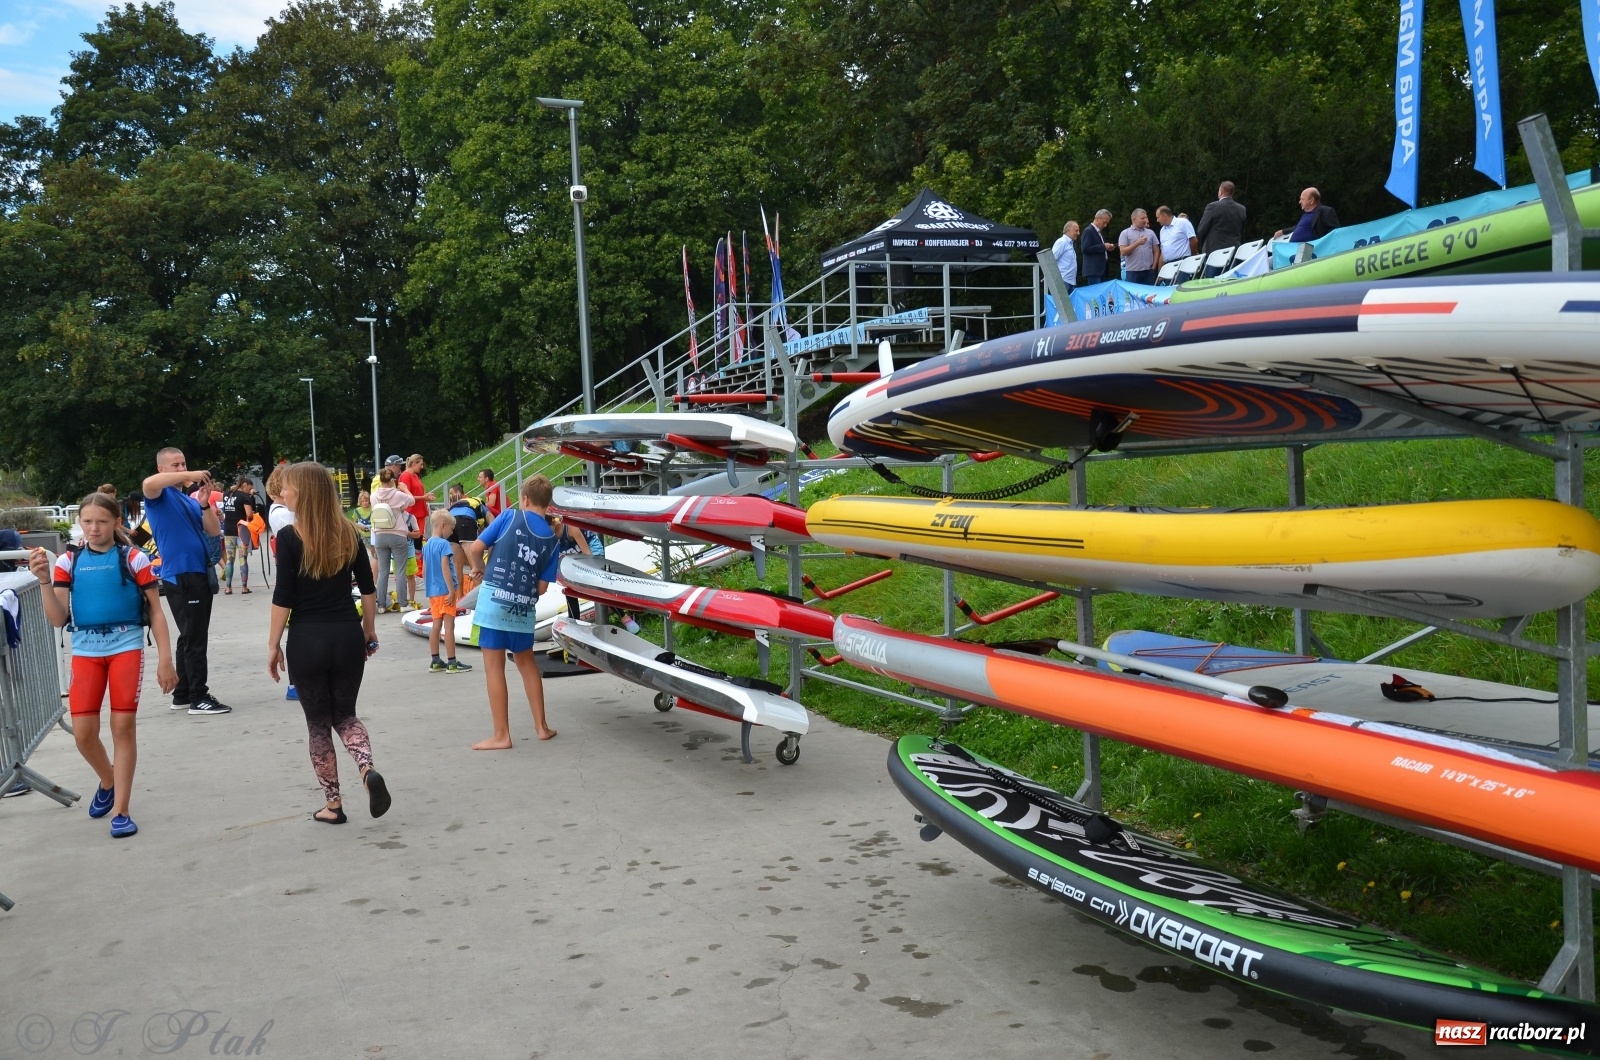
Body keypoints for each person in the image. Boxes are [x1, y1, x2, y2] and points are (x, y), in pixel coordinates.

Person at [28, 492, 177, 837]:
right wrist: (44, 582)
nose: (94, 528)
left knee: (123, 728)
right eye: (87, 521)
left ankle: (122, 810)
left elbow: (156, 612)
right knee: (83, 736)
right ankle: (108, 780)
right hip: (86, 653)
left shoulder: (134, 558)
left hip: (126, 647)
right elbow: (57, 618)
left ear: (116, 523)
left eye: (102, 521)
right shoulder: (68, 562)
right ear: (79, 523)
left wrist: (165, 659)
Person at [266, 462, 391, 826]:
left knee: (318, 724)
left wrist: (273, 644)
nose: (283, 494)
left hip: (307, 639)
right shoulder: (350, 533)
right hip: (347, 636)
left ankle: (333, 806)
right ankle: (367, 770)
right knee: (346, 715)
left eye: (287, 489)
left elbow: (283, 596)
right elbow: (368, 589)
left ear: (303, 493)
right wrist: (369, 629)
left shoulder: (289, 537)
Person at [464, 474, 562, 749]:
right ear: (547, 502)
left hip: (494, 599)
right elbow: (542, 588)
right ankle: (542, 727)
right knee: (527, 663)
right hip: (523, 606)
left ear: (525, 498)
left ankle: (501, 735)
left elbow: (476, 547)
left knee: (494, 667)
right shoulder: (552, 540)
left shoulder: (509, 517)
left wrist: (480, 567)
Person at [141, 447, 230, 716]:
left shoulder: (189, 500)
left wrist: (204, 503)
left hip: (197, 571)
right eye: (176, 465)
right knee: (195, 637)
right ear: (163, 469)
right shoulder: (159, 495)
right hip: (181, 573)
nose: (182, 469)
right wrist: (192, 474)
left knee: (190, 634)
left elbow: (213, 530)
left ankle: (183, 692)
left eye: (184, 464)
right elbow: (148, 484)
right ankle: (198, 696)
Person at [423, 510, 471, 674]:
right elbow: (445, 568)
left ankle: (435, 660)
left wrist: (428, 588)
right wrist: (452, 591)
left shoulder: (428, 544)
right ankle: (452, 662)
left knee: (436, 626)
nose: (452, 533)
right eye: (451, 529)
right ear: (443, 525)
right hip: (445, 591)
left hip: (433, 592)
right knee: (449, 627)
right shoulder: (444, 545)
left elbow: (424, 571)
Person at [369, 465, 415, 612]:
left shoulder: (373, 496)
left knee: (383, 572)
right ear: (392, 480)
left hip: (380, 535)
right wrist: (405, 489)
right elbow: (412, 501)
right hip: (397, 535)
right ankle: (403, 604)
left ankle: (381, 605)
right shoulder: (398, 494)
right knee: (400, 571)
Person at [399, 455, 433, 604]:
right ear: (414, 463)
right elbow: (408, 497)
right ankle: (416, 574)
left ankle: (418, 573)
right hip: (413, 513)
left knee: (419, 543)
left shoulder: (414, 475)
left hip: (419, 512)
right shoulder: (405, 476)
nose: (422, 467)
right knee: (415, 543)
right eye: (420, 464)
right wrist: (424, 497)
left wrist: (424, 498)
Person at [1196, 181, 1248, 269]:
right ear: (1232, 193)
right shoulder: (1242, 209)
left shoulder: (1213, 207)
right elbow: (1241, 230)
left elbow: (1201, 230)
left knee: (1213, 281)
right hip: (1234, 252)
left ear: (1220, 191)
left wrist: (1203, 246)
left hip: (1214, 252)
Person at [220, 477, 257, 595]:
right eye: (249, 488)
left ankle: (228, 588)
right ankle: (244, 588)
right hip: (241, 531)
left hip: (228, 530)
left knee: (229, 560)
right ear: (245, 484)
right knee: (243, 559)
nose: (249, 490)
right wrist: (251, 498)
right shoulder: (244, 497)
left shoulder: (226, 494)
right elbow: (249, 514)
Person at [1275, 187, 1342, 242]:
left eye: (1302, 199)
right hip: (1294, 250)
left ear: (1311, 200)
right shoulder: (1305, 215)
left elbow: (1335, 232)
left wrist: (1322, 243)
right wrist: (1283, 231)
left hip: (1313, 252)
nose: (1299, 202)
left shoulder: (1325, 211)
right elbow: (1298, 227)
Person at [1117, 209, 1158, 285]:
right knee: (1133, 295)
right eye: (1142, 218)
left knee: (1149, 295)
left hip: (1148, 271)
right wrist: (1137, 243)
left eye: (1146, 218)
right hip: (1132, 272)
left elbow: (1156, 250)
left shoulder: (1150, 232)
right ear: (1134, 219)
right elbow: (1123, 252)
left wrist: (1154, 267)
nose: (1145, 220)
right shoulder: (1125, 233)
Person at [1154, 206, 1198, 272]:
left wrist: (1192, 255)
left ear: (1165, 216)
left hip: (1182, 263)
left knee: (1182, 282)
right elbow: (1163, 251)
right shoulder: (1162, 230)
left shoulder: (1182, 222)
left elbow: (1193, 240)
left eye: (1158, 217)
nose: (1157, 220)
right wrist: (1161, 272)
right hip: (1168, 266)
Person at [1079, 210, 1112, 285]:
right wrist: (1103, 246)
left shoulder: (1098, 232)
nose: (1105, 225)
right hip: (1093, 270)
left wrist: (1107, 248)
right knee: (1095, 294)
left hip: (1101, 270)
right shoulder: (1088, 231)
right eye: (1104, 222)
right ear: (1098, 219)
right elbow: (1085, 248)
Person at [1051, 221, 1080, 293]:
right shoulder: (1061, 242)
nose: (1078, 233)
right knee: (1060, 304)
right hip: (1062, 281)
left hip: (1070, 282)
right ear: (1068, 230)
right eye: (1076, 230)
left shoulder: (1070, 244)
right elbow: (1052, 260)